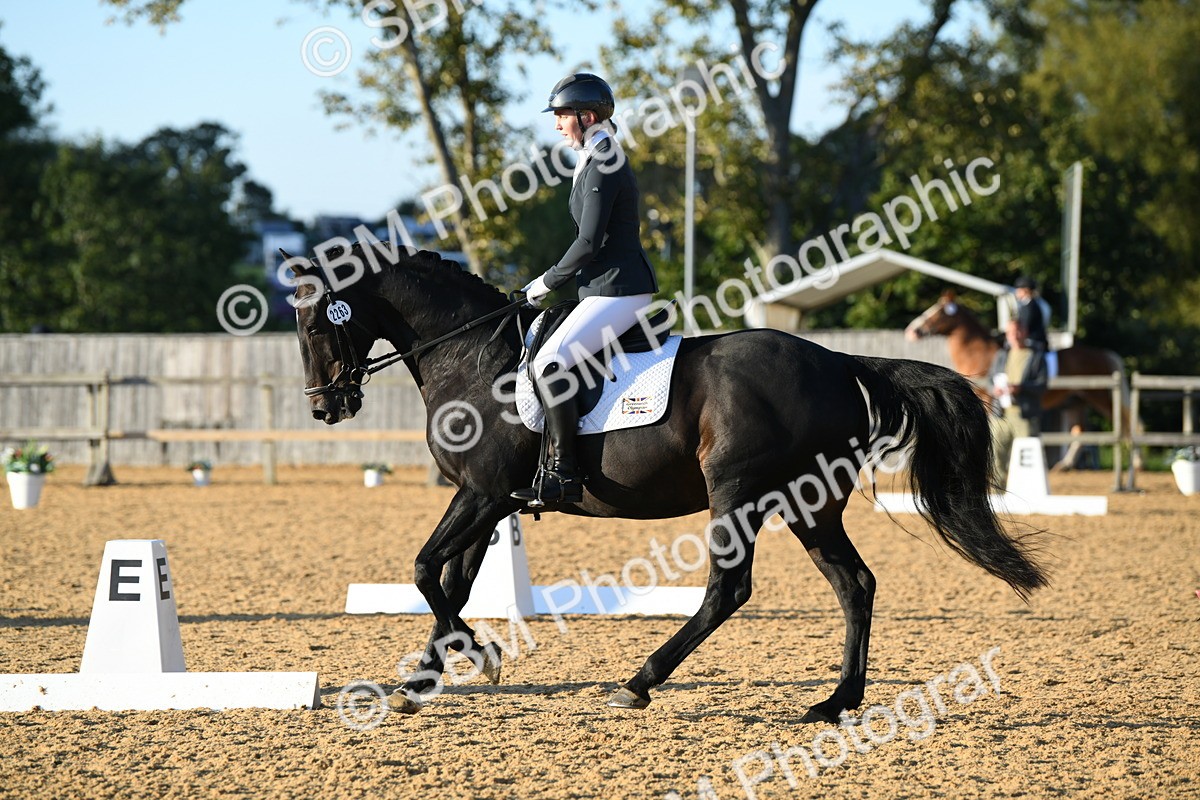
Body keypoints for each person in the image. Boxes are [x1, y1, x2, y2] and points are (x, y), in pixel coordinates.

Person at [511, 73, 659, 506]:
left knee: (552, 362)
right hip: (600, 288)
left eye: (561, 117)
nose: (557, 125)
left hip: (619, 289)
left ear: (586, 116)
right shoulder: (593, 155)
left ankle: (565, 474)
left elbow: (590, 241)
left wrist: (546, 281)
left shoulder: (605, 157)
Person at [989, 317, 1048, 484]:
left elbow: (1042, 385)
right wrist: (994, 389)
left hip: (1024, 415)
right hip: (1000, 414)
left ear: (1025, 333)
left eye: (1018, 331)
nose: (1014, 335)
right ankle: (996, 494)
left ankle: (1026, 491)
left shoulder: (1036, 356)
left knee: (1027, 458)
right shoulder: (1001, 355)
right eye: (1011, 332)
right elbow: (990, 380)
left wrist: (1021, 388)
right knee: (995, 457)